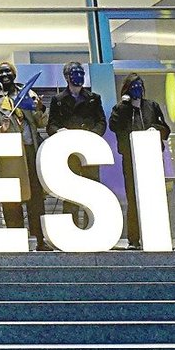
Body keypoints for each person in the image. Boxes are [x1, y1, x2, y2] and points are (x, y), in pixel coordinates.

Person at [0, 61, 50, 250]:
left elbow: (41, 122)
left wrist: (40, 108)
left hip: (31, 151)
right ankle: (16, 241)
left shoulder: (28, 93)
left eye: (8, 71)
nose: (5, 75)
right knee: (11, 199)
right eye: (1, 72)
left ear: (14, 74)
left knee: (36, 198)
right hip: (10, 156)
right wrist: (1, 129)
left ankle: (40, 240)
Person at [108, 73, 171, 249]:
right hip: (130, 158)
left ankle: (156, 236)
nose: (137, 89)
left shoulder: (152, 106)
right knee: (133, 198)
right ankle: (134, 239)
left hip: (151, 158)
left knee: (154, 198)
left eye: (139, 86)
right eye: (133, 86)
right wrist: (124, 106)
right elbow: (114, 126)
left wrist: (155, 129)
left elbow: (165, 129)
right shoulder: (120, 108)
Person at [45, 61, 106, 230]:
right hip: (69, 152)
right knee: (69, 192)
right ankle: (71, 228)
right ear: (67, 77)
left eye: (81, 73)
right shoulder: (58, 100)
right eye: (75, 73)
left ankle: (91, 228)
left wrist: (93, 135)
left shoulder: (93, 98)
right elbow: (51, 125)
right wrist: (59, 132)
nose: (79, 77)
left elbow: (101, 122)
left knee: (92, 189)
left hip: (89, 152)